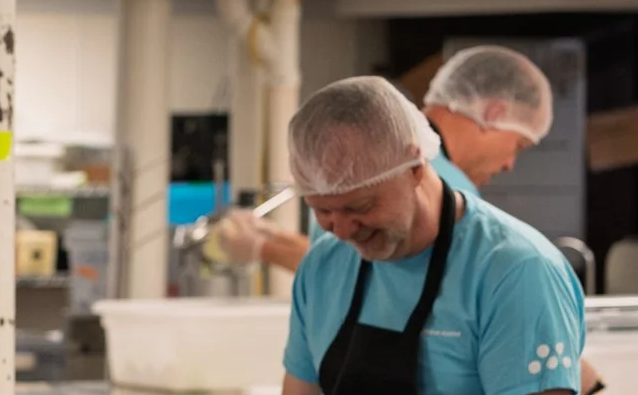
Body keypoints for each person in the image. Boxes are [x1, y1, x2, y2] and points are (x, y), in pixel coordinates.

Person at [268, 76, 584, 395]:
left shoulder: (515, 272)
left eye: (359, 206)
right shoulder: (323, 266)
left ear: (416, 167)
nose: (343, 230)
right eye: (323, 211)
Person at [217, 44, 555, 272]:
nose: (510, 163)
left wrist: (266, 245)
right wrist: (267, 246)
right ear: (494, 113)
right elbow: (352, 270)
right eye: (518, 146)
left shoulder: (436, 179)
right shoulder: (438, 184)